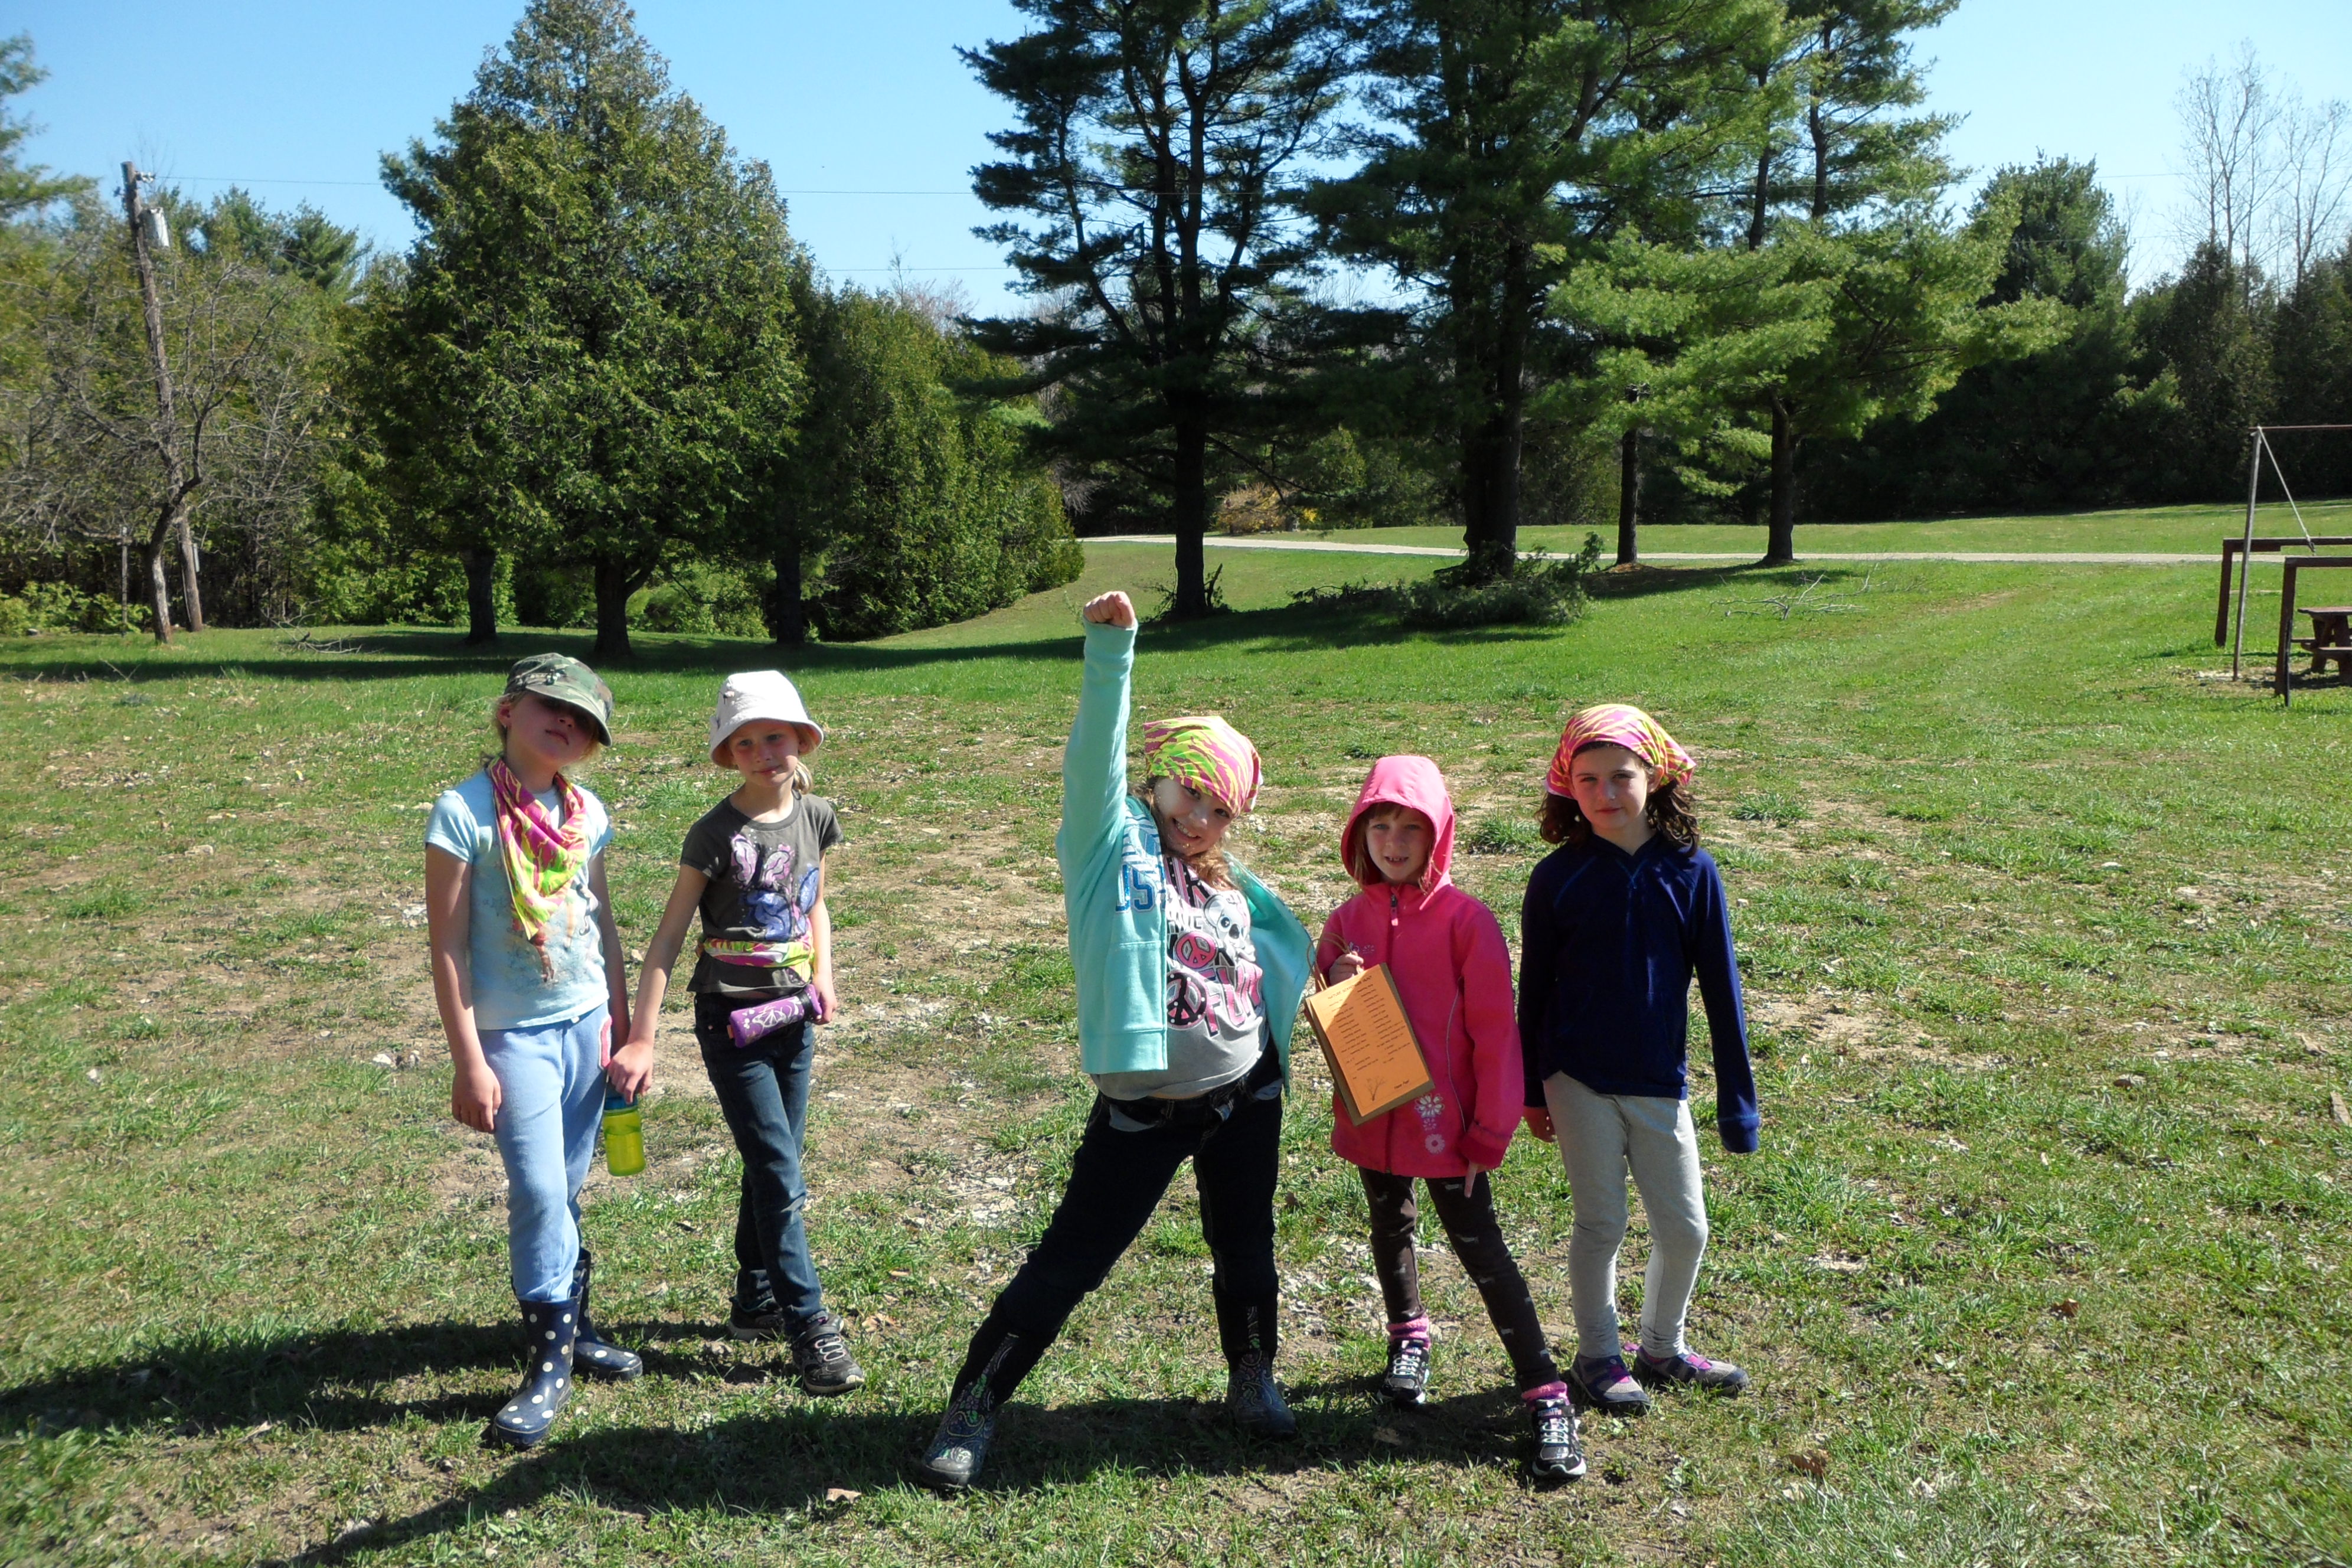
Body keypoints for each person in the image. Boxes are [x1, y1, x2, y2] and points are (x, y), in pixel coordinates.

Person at [913, 589, 1313, 1491]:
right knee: (1068, 1265)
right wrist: (1112, 652)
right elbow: (1094, 757)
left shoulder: (1229, 880)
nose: (1200, 819)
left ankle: (1252, 1374)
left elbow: (1279, 956)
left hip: (1245, 1096)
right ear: (1157, 779)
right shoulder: (1110, 846)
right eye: (1190, 793)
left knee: (1247, 1249)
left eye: (1221, 810)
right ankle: (973, 1405)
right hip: (1144, 1111)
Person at [1317, 756, 1583, 1485]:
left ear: (1438, 834)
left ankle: (1545, 1390)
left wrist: (1489, 1132)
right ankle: (1408, 1334)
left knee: (1482, 1251)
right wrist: (1333, 975)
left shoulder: (1468, 922)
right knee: (1389, 1224)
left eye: (1411, 828)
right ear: (1359, 832)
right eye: (1380, 825)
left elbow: (1497, 1035)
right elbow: (1331, 1005)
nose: (1394, 842)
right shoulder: (1346, 921)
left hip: (1451, 1131)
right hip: (1377, 1118)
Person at [424, 654, 644, 1451]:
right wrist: (469, 1061)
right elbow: (448, 947)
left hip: (587, 1025)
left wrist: (626, 1024)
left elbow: (601, 919)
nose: (566, 725)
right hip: (511, 1036)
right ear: (507, 711)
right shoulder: (463, 812)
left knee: (570, 1185)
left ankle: (575, 1327)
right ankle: (548, 1362)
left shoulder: (588, 813)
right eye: (552, 707)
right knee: (542, 1190)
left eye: (584, 722)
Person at [623, 670, 863, 1396]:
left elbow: (814, 902)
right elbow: (669, 937)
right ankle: (809, 1325)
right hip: (731, 1022)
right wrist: (641, 1037)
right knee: (780, 1173)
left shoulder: (816, 816)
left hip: (794, 1016)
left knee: (773, 1162)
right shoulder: (714, 834)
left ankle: (756, 1297)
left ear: (802, 741)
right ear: (728, 754)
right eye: (746, 742)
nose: (763, 753)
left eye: (776, 737)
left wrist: (825, 974)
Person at [1518, 705, 1759, 1417]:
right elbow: (1533, 993)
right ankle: (1597, 1355)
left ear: (1655, 777)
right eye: (1587, 779)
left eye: (1621, 775)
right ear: (1567, 786)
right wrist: (1530, 1087)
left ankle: (1662, 1347)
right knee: (1602, 1223)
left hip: (1658, 1080)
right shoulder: (1555, 878)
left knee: (1686, 1229)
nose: (1605, 792)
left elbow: (1723, 991)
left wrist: (1738, 1106)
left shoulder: (1693, 872)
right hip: (1576, 1078)